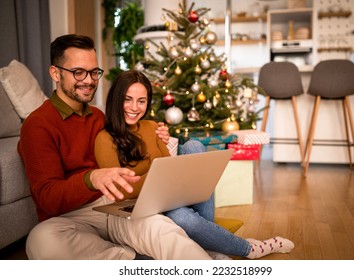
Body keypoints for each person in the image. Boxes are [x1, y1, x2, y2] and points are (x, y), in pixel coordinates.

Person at [18, 34, 213, 260]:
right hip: (70, 217)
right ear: (56, 73)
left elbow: (136, 139)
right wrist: (91, 179)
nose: (89, 80)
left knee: (162, 229)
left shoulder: (99, 116)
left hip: (113, 206)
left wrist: (161, 135)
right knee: (41, 240)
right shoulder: (38, 125)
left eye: (94, 72)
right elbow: (48, 198)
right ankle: (131, 260)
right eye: (78, 72)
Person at [94, 69, 295, 259]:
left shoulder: (153, 127)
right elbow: (120, 191)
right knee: (182, 216)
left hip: (166, 194)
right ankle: (249, 248)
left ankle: (208, 246)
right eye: (127, 100)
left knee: (194, 145)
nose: (134, 108)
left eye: (141, 101)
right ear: (116, 100)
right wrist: (156, 177)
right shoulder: (105, 139)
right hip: (138, 206)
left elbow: (167, 165)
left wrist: (167, 173)